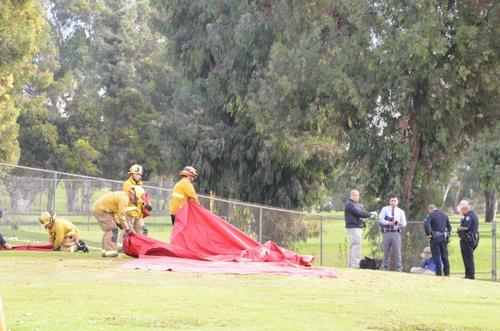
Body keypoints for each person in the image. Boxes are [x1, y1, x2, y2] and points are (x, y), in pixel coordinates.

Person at [91, 186, 144, 257]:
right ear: (132, 193)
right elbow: (121, 215)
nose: (136, 200)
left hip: (101, 209)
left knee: (109, 229)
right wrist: (127, 228)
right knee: (112, 229)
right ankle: (110, 251)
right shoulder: (124, 199)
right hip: (101, 210)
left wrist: (117, 222)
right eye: (136, 198)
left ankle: (104, 250)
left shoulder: (123, 196)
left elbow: (114, 211)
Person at [344, 190, 377, 268]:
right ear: (351, 195)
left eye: (358, 195)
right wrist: (370, 214)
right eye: (356, 195)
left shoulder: (354, 204)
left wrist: (367, 216)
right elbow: (359, 213)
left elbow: (360, 212)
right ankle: (355, 265)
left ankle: (351, 264)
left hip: (354, 227)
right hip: (354, 228)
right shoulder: (350, 204)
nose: (357, 197)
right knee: (356, 246)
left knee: (353, 246)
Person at [378, 195, 407, 271]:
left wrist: (398, 223)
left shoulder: (401, 211)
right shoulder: (385, 209)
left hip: (396, 233)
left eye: (395, 201)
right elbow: (380, 219)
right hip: (387, 232)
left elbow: (404, 223)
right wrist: (389, 222)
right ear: (389, 201)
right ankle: (385, 268)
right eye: (392, 201)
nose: (393, 202)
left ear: (397, 202)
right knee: (386, 252)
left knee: (397, 252)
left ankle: (399, 269)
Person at [424, 204, 451, 276]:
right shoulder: (444, 215)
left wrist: (428, 234)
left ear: (430, 209)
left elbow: (426, 224)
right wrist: (448, 236)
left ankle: (438, 273)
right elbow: (449, 227)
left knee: (436, 256)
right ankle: (447, 273)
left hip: (435, 238)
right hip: (443, 238)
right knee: (444, 256)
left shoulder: (432, 215)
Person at [122, 164, 149, 236]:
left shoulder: (139, 184)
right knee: (127, 232)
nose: (139, 176)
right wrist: (143, 203)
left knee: (143, 231)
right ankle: (120, 246)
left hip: (137, 212)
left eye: (139, 175)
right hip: (129, 212)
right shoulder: (127, 184)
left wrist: (145, 205)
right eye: (137, 174)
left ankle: (142, 246)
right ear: (131, 174)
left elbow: (141, 196)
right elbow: (134, 198)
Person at [456, 200, 479, 279]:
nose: (461, 213)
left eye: (462, 210)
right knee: (468, 257)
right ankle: (468, 274)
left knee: (468, 258)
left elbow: (466, 227)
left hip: (468, 241)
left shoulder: (469, 216)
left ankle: (470, 275)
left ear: (465, 209)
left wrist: (459, 228)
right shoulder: (474, 215)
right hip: (472, 240)